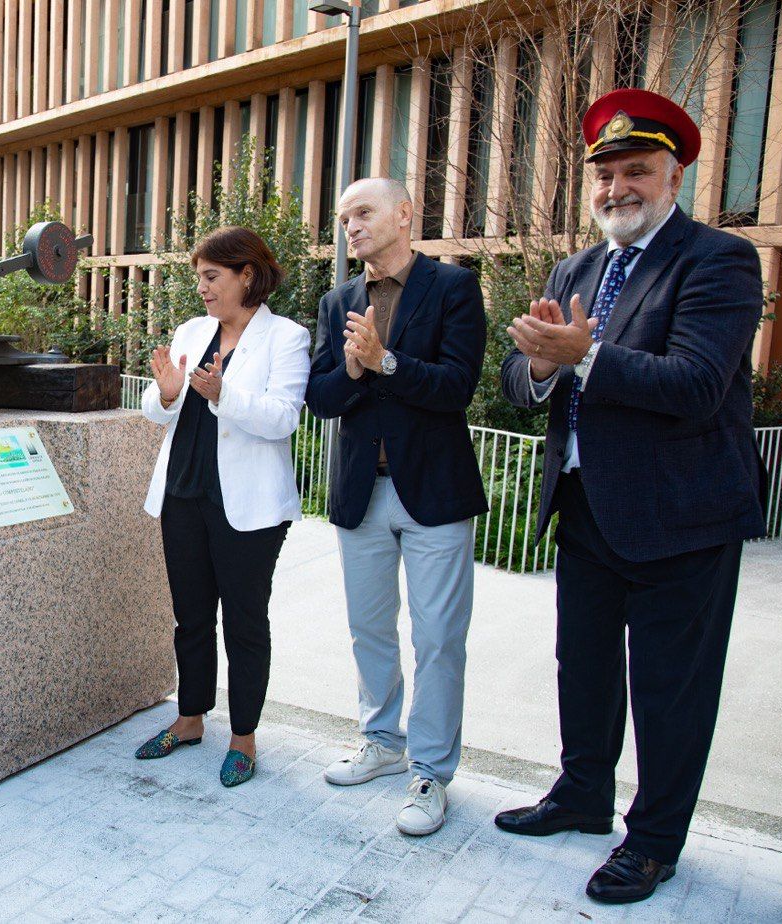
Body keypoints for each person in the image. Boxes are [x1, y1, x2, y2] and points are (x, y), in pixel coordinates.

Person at [496, 89, 766, 904]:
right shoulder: (577, 267)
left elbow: (694, 385)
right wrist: (544, 365)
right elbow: (521, 380)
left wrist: (583, 355)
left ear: (674, 175)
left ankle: (653, 841)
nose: (617, 188)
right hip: (586, 508)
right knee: (582, 668)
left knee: (669, 686)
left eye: (636, 171)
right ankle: (582, 796)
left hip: (682, 519)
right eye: (605, 175)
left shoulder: (718, 260)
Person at [305, 177, 488, 836]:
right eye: (343, 216)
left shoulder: (453, 289)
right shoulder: (338, 301)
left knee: (439, 640)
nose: (350, 226)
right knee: (370, 631)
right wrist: (354, 371)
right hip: (363, 493)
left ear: (405, 214)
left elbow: (458, 387)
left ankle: (431, 773)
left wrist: (386, 363)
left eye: (362, 212)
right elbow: (321, 397)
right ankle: (383, 742)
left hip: (434, 493)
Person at [136, 226, 310, 787]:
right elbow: (159, 406)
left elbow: (284, 418)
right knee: (190, 617)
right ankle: (189, 719)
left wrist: (223, 394)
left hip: (250, 508)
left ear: (247, 275)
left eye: (212, 277)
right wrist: (165, 393)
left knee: (244, 622)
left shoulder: (286, 338)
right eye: (199, 278)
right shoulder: (193, 329)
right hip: (183, 492)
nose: (203, 289)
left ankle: (243, 737)